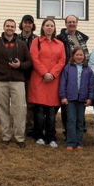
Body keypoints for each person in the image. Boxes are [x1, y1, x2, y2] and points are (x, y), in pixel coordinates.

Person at [0, 19, 32, 148]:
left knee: (20, 110)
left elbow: (29, 62)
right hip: (0, 82)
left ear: (15, 28)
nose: (10, 28)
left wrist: (20, 65)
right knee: (3, 109)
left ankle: (19, 137)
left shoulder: (22, 45)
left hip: (18, 81)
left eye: (12, 26)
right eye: (8, 26)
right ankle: (6, 136)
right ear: (4, 27)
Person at [28, 18, 66, 148]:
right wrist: (45, 73)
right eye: (47, 25)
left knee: (51, 111)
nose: (49, 28)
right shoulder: (36, 42)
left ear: (54, 28)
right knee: (39, 110)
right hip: (39, 79)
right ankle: (38, 135)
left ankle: (51, 136)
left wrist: (53, 74)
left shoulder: (59, 44)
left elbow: (62, 61)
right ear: (43, 27)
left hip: (53, 81)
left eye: (52, 26)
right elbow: (34, 58)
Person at [56, 14, 89, 139]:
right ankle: (68, 132)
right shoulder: (60, 38)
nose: (71, 24)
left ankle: (80, 130)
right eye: (69, 22)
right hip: (67, 72)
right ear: (65, 24)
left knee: (80, 104)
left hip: (81, 73)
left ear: (77, 23)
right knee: (67, 107)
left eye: (74, 22)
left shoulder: (81, 38)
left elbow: (85, 55)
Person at [60, 47, 94, 150]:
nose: (79, 57)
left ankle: (79, 143)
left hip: (82, 100)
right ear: (73, 56)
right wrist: (63, 96)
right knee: (71, 120)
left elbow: (91, 86)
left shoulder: (88, 70)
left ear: (84, 57)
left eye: (81, 55)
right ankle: (71, 142)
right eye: (77, 55)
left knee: (80, 121)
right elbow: (63, 83)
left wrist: (90, 98)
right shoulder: (67, 68)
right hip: (70, 99)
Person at [18, 14, 38, 137]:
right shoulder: (16, 39)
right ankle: (19, 127)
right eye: (25, 22)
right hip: (18, 74)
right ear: (22, 24)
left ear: (32, 25)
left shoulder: (37, 40)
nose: (27, 25)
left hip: (32, 75)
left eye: (30, 23)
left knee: (31, 103)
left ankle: (30, 128)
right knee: (19, 103)